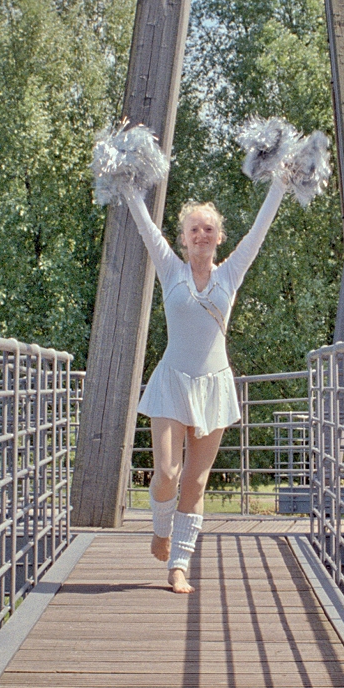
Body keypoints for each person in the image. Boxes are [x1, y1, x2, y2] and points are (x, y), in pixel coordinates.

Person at [121, 176, 287, 591]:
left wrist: (280, 186)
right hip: (172, 382)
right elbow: (145, 226)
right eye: (194, 228)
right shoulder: (170, 268)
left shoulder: (230, 273)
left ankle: (178, 565)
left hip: (214, 386)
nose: (201, 234)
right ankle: (160, 528)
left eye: (208, 228)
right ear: (183, 238)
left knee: (195, 482)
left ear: (218, 238)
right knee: (166, 471)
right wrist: (127, 187)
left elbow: (259, 232)